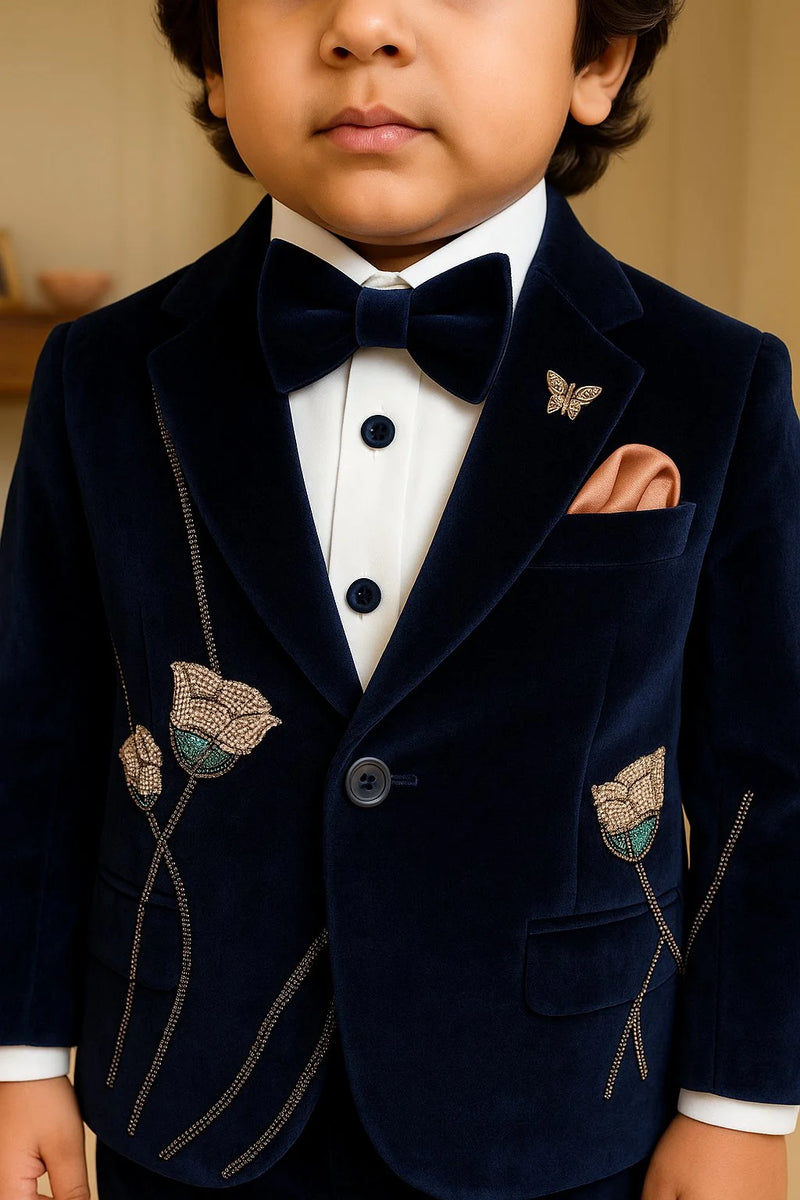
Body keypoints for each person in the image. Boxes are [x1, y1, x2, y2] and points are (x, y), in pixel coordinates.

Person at [0, 0, 798, 1196]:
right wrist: (18, 1059)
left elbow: (766, 776)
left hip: (557, 1107)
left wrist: (736, 1104)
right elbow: (34, 739)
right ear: (213, 58)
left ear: (595, 58)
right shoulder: (101, 376)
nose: (363, 24)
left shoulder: (714, 382)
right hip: (184, 1100)